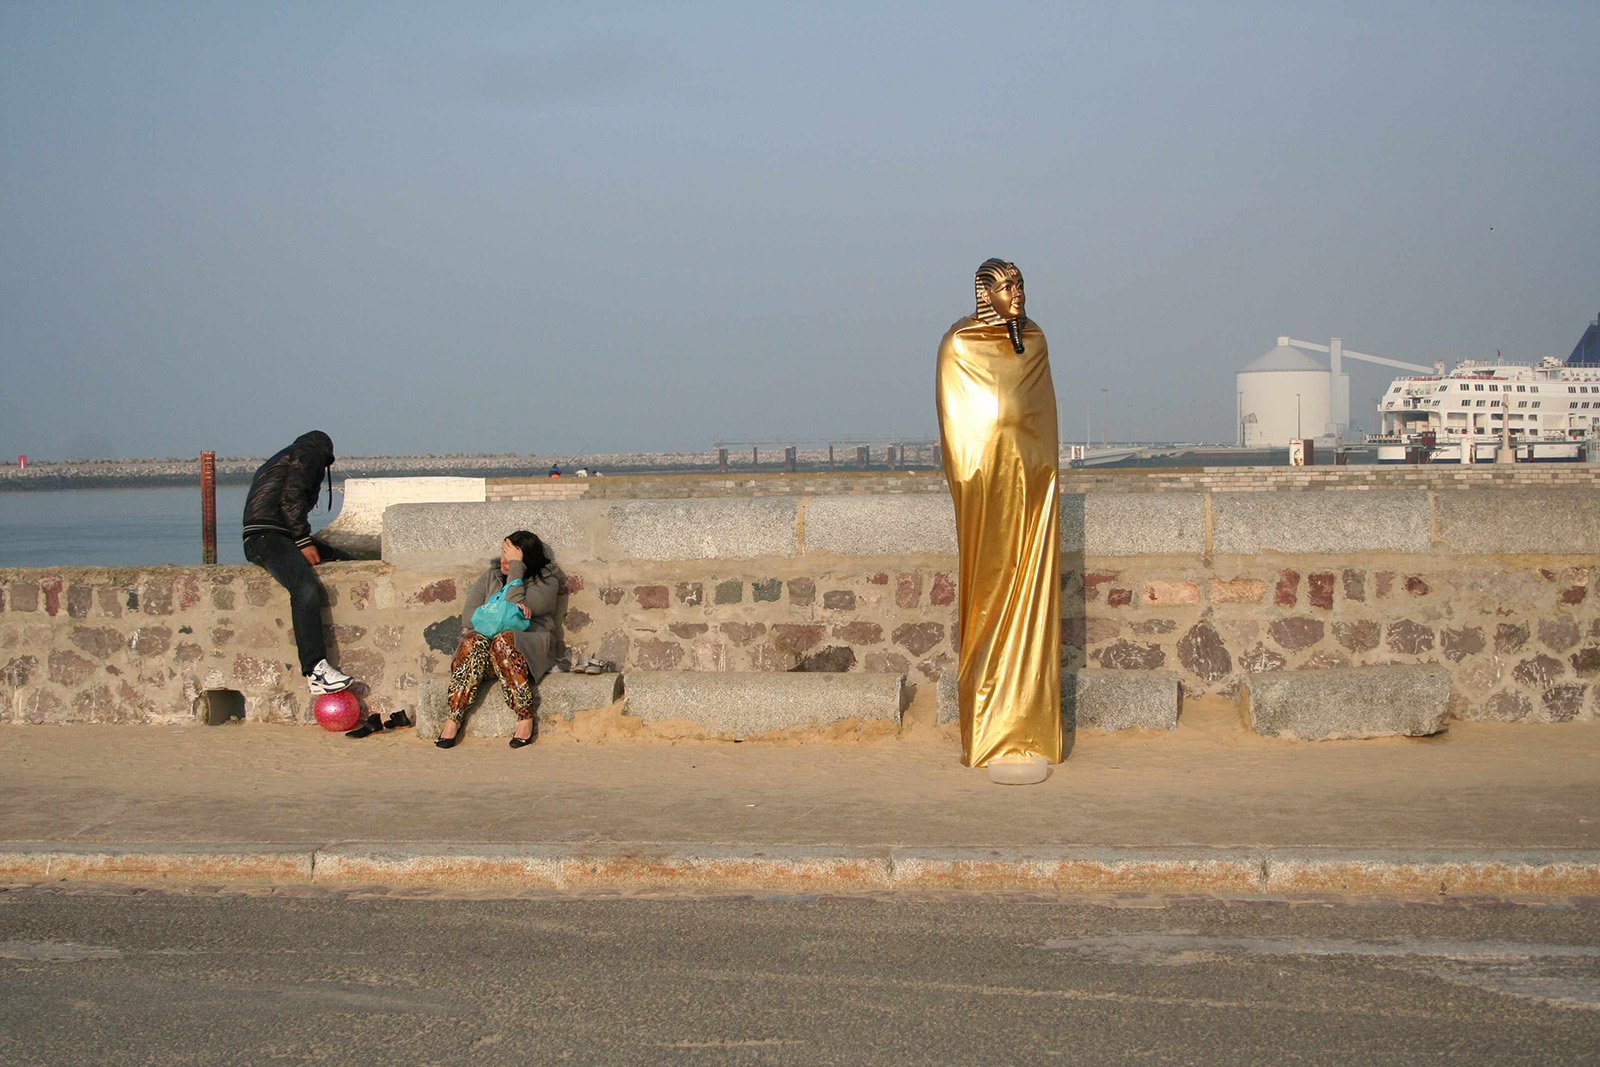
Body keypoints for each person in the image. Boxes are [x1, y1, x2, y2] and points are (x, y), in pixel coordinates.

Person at [935, 259, 1062, 769]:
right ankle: (988, 727)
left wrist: (1043, 470)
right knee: (989, 588)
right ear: (986, 292)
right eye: (1009, 286)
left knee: (1031, 587)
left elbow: (1042, 414)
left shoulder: (1034, 342)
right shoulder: (959, 345)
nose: (1019, 294)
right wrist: (975, 475)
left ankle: (1030, 727)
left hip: (1033, 481)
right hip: (984, 486)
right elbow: (955, 422)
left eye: (1022, 284)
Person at [241, 430, 358, 695]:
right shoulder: (309, 454)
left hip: (277, 533)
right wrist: (303, 541)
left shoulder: (286, 456)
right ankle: (316, 669)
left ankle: (318, 668)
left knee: (345, 560)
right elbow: (292, 496)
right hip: (266, 536)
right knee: (304, 589)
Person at [437, 530, 564, 750]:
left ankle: (525, 718)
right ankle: (453, 719)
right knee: (473, 641)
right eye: (503, 552)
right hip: (487, 654)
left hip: (525, 650)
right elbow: (468, 617)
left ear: (526, 557)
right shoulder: (491, 576)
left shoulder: (545, 578)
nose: (505, 560)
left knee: (503, 640)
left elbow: (512, 619)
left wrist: (516, 570)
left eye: (512, 555)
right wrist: (500, 611)